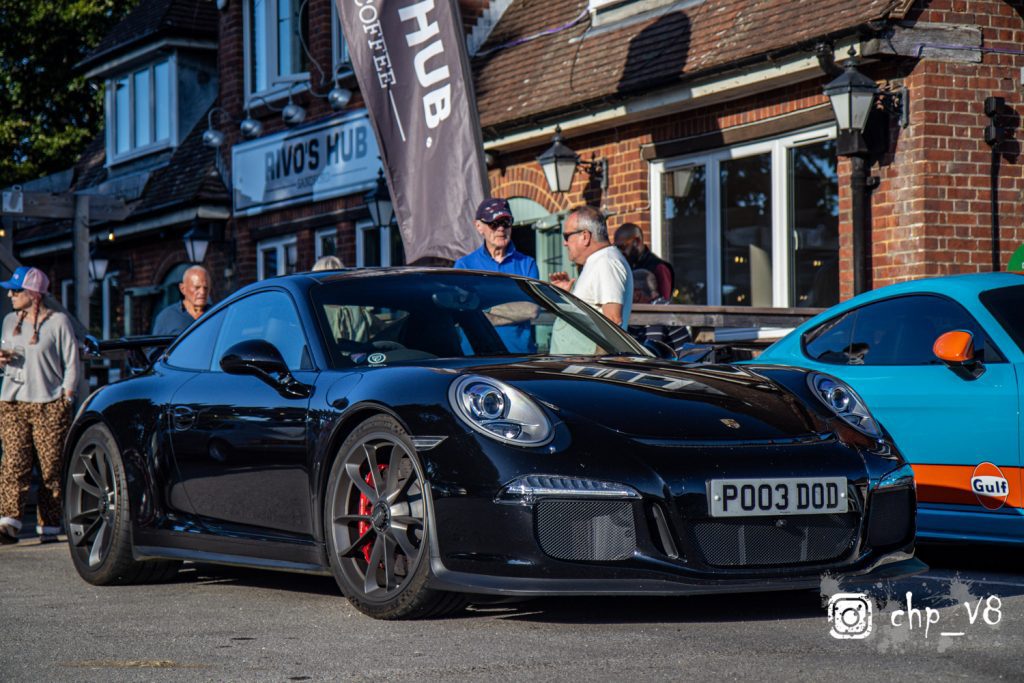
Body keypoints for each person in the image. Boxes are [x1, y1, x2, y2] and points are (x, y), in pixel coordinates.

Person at [0, 266, 80, 545]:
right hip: (12, 400)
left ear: (33, 294)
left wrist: (66, 398)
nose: (10, 294)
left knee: (50, 467)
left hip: (48, 402)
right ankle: (8, 523)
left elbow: (72, 362)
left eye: (16, 290)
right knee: (13, 462)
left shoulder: (58, 322)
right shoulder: (10, 321)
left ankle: (49, 523)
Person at [455, 198, 540, 353]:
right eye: (494, 223)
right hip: (474, 357)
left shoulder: (527, 263)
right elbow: (462, 315)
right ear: (479, 226)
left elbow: (531, 310)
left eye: (506, 222)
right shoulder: (464, 266)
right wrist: (512, 310)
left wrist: (482, 309)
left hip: (519, 357)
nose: (501, 228)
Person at [550, 206, 634, 328]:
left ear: (585, 236)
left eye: (566, 236)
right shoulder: (599, 261)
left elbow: (613, 323)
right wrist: (567, 296)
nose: (565, 243)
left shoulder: (606, 262)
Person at [614, 223, 675, 302]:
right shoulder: (626, 266)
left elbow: (664, 306)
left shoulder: (659, 267)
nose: (620, 252)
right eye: (617, 248)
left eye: (623, 247)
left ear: (637, 241)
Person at [152, 265, 213, 335]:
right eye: (197, 287)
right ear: (183, 289)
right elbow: (157, 345)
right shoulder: (167, 317)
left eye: (205, 288)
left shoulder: (215, 314)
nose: (202, 292)